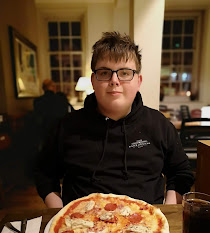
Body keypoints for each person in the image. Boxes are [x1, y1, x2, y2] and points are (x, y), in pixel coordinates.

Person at [34, 32, 194, 208]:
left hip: (147, 227)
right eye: (104, 73)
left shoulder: (159, 125)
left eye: (125, 73)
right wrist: (59, 212)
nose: (114, 80)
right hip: (79, 228)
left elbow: (180, 172)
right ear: (93, 81)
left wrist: (168, 210)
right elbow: (44, 173)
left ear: (138, 81)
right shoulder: (66, 126)